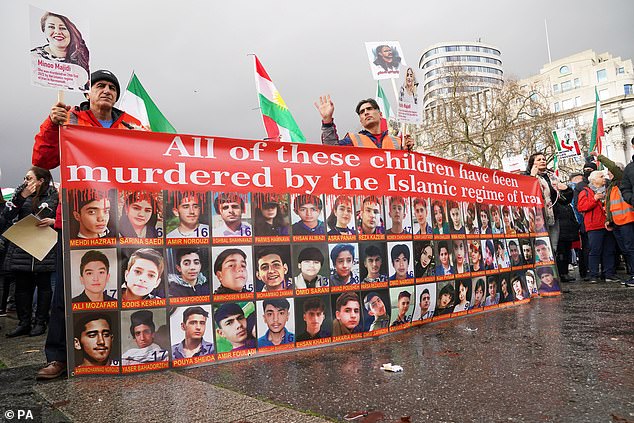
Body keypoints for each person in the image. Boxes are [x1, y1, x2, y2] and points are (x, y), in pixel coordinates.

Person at [35, 69, 144, 380]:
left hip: (116, 219)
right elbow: (42, 161)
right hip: (74, 219)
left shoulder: (131, 126)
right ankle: (58, 357)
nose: (106, 91)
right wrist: (50, 125)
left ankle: (121, 351)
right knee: (65, 293)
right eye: (100, 85)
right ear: (88, 92)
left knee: (116, 287)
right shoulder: (68, 119)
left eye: (112, 86)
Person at [3, 166, 58, 337]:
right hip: (23, 246)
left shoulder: (54, 195)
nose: (26, 182)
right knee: (22, 287)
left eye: (30, 178)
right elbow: (6, 216)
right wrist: (21, 197)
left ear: (41, 180)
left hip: (44, 247)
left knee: (44, 286)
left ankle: (40, 322)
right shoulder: (20, 194)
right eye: (25, 178)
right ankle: (23, 323)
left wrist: (53, 221)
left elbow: (64, 216)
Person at [316, 97, 413, 149]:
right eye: (362, 112)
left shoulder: (398, 142)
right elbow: (332, 150)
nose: (366, 112)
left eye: (369, 109)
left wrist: (407, 151)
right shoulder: (352, 140)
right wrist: (327, 121)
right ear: (361, 120)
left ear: (380, 114)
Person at [526, 152, 574, 252]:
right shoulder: (527, 176)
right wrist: (532, 177)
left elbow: (563, 199)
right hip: (537, 217)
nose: (542, 161)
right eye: (539, 160)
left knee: (553, 247)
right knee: (539, 245)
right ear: (532, 163)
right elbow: (528, 193)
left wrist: (566, 189)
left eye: (544, 159)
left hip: (553, 216)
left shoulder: (552, 177)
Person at [577, 171, 618, 283]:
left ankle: (609, 274)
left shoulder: (608, 190)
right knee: (595, 250)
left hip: (607, 224)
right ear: (593, 180)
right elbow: (581, 207)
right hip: (594, 226)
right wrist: (594, 199)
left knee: (609, 250)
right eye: (601, 176)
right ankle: (593, 274)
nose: (604, 178)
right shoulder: (585, 192)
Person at [31, 12, 90, 82]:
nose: (57, 32)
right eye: (51, 27)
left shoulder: (81, 58)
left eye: (62, 28)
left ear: (71, 32)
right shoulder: (33, 58)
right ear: (44, 30)